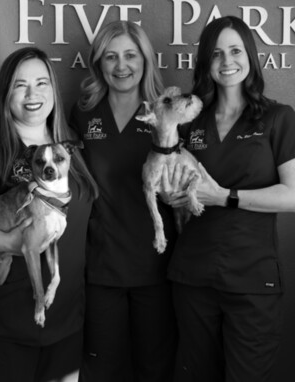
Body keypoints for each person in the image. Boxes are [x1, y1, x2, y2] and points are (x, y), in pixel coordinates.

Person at [164, 16, 295, 382]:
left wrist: (224, 196)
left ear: (250, 56)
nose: (226, 61)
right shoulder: (189, 123)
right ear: (205, 63)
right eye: (216, 53)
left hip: (252, 281)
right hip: (193, 277)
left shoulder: (279, 118)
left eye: (235, 50)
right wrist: (173, 195)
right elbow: (174, 188)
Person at [0, 47, 98, 382]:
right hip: (2, 326)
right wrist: (8, 242)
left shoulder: (70, 145)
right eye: (20, 85)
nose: (33, 94)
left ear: (53, 91)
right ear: (5, 93)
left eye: (42, 83)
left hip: (67, 323)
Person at [70, 21, 177, 382]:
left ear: (146, 60)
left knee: (155, 368)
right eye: (110, 57)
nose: (121, 66)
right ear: (98, 63)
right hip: (100, 265)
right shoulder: (82, 114)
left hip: (156, 265)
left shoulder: (166, 114)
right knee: (102, 370)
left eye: (130, 55)